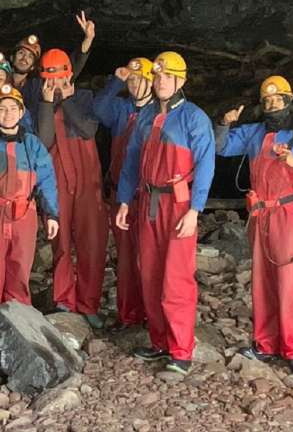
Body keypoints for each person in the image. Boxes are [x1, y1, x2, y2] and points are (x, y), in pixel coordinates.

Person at [215, 75, 293, 374]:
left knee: (289, 283)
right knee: (262, 281)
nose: (273, 105)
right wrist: (224, 123)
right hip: (260, 215)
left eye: (278, 100)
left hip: (289, 215)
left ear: (288, 101)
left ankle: (292, 350)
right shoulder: (253, 132)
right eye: (268, 101)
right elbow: (221, 147)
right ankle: (264, 344)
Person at [114, 51, 215, 375]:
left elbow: (206, 165)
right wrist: (125, 201)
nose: (160, 82)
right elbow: (131, 162)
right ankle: (159, 342)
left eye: (166, 77)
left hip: (178, 207)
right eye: (156, 77)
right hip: (149, 204)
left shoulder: (193, 117)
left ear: (180, 80)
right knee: (150, 275)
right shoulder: (145, 118)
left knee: (176, 279)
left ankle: (181, 351)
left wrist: (195, 210)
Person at [0, 84, 61, 311]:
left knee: (20, 270)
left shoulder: (32, 144)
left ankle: (19, 324)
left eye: (12, 108)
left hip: (24, 213)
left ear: (21, 112)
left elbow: (47, 180)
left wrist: (52, 214)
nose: (8, 114)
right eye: (2, 109)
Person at [36, 48, 107, 328]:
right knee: (61, 243)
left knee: (92, 244)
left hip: (88, 184)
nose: (54, 85)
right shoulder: (39, 103)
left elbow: (88, 129)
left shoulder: (85, 98)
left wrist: (66, 101)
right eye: (49, 80)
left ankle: (88, 303)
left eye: (59, 78)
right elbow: (42, 140)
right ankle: (64, 300)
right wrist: (45, 104)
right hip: (58, 182)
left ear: (69, 77)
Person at [92, 57, 155, 328]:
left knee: (151, 257)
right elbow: (97, 109)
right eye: (131, 80)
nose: (133, 84)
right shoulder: (120, 109)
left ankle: (152, 314)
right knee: (127, 258)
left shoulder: (159, 113)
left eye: (139, 79)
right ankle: (129, 314)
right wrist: (115, 80)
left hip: (151, 197)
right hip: (121, 196)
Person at [0, 0, 95, 105]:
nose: (24, 58)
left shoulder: (37, 87)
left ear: (34, 66)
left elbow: (67, 71)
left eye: (30, 57)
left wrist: (88, 39)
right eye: (21, 53)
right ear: (12, 57)